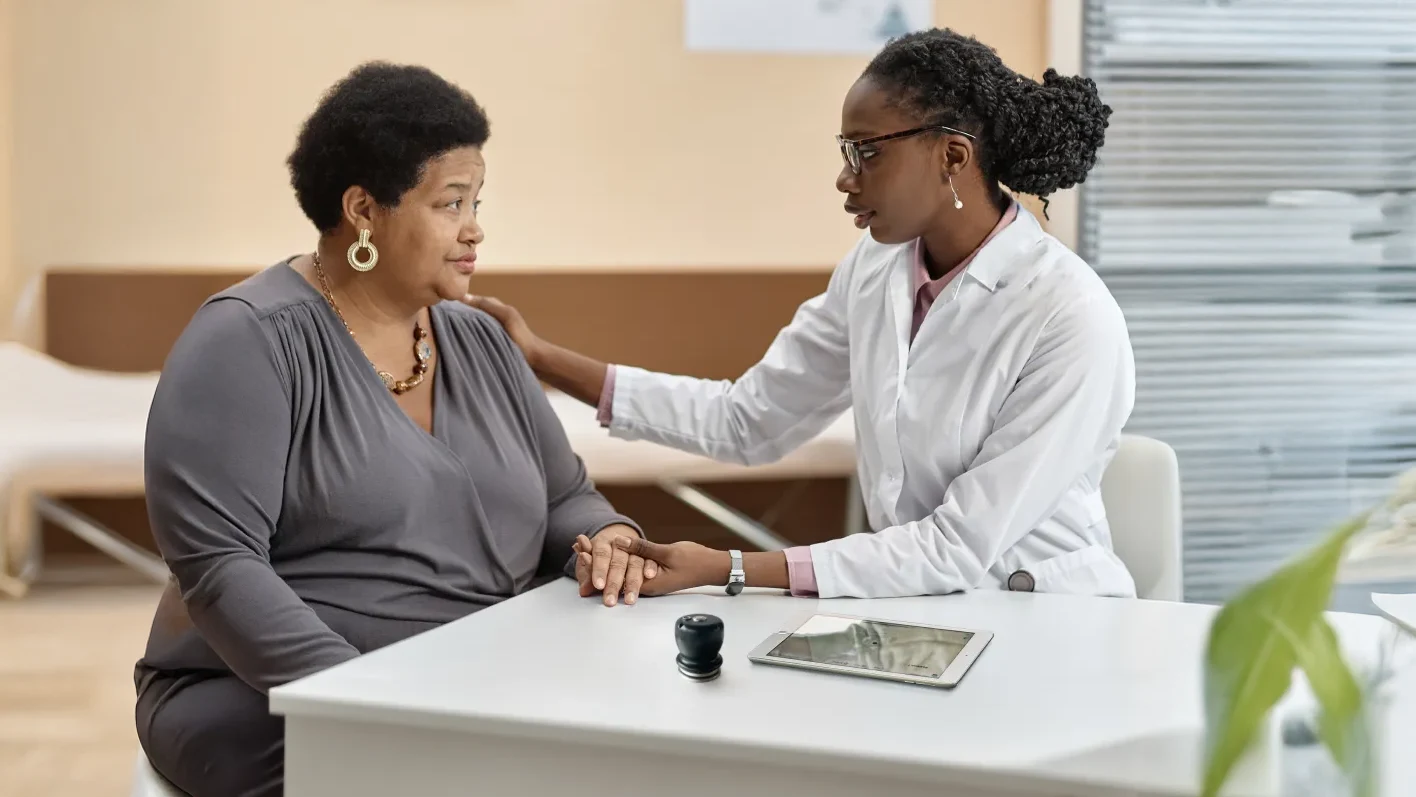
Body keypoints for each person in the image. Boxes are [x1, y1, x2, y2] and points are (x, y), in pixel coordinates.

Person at [469, 28, 1138, 604]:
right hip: (922, 608)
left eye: (867, 151)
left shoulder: (1069, 316)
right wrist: (538, 355)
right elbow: (748, 420)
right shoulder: (875, 269)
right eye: (844, 151)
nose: (846, 178)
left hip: (1049, 620)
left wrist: (730, 567)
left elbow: (954, 546)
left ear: (953, 157)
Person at [132, 62, 651, 797]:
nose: (476, 228)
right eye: (450, 203)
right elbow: (220, 567)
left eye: (478, 201)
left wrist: (610, 542)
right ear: (363, 210)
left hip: (475, 681)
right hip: (270, 697)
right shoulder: (247, 342)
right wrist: (372, 696)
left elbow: (568, 497)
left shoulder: (480, 339)